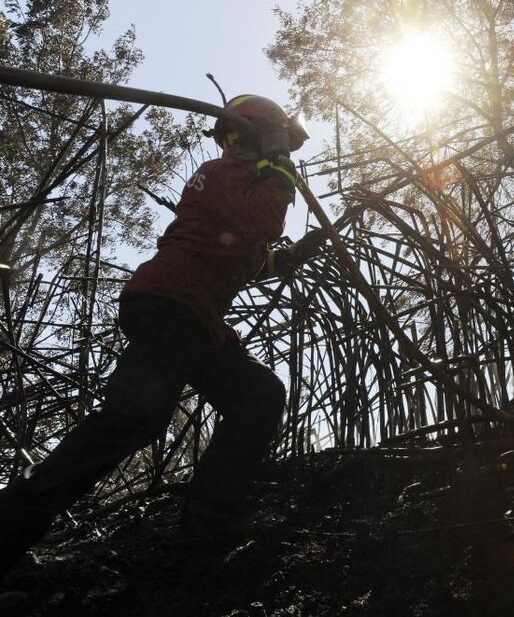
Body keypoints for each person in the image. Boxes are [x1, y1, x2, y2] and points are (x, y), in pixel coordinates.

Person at [0, 94, 330, 577]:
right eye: (272, 143)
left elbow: (237, 250)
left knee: (258, 395)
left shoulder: (238, 186)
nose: (275, 155)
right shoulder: (223, 175)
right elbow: (260, 219)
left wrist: (289, 258)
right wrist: (281, 167)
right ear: (248, 139)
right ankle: (8, 532)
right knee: (131, 420)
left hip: (197, 320)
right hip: (172, 309)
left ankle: (207, 524)